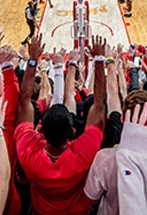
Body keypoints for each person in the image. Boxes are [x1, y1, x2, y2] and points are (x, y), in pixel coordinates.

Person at [14, 36, 106, 215]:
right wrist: (99, 61)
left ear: (40, 130)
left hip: (41, 210)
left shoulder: (29, 154)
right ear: (72, 132)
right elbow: (99, 106)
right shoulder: (83, 154)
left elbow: (24, 101)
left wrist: (32, 59)